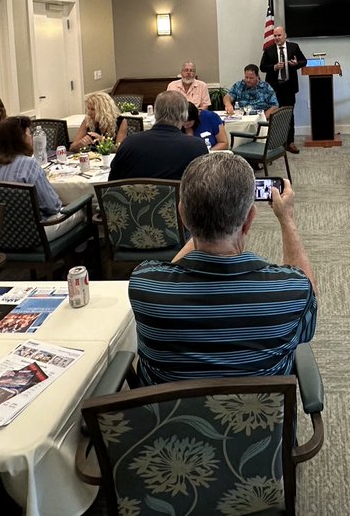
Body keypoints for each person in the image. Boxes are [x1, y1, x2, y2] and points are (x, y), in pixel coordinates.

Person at [128, 153, 317, 385]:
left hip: (165, 419)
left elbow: (170, 270)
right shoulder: (290, 292)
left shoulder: (144, 283)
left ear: (183, 215)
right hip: (258, 419)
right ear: (249, 220)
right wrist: (287, 219)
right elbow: (310, 295)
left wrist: (200, 225)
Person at [0, 116, 82, 237]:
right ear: (21, 139)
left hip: (2, 234)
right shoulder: (29, 164)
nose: (31, 137)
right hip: (34, 233)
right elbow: (51, 206)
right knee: (81, 211)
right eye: (29, 133)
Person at [109, 91, 208, 181]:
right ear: (184, 115)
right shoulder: (196, 146)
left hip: (133, 200)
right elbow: (203, 186)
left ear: (155, 113)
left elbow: (112, 181)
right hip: (178, 200)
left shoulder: (129, 143)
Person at [259, 27, 308, 153]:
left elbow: (304, 61)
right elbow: (262, 67)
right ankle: (274, 143)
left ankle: (290, 142)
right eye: (275, 35)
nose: (276, 38)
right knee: (274, 115)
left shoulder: (294, 47)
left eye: (279, 35)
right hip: (274, 89)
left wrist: (296, 64)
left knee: (289, 115)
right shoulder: (269, 50)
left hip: (288, 87)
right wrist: (274, 67)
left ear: (285, 35)